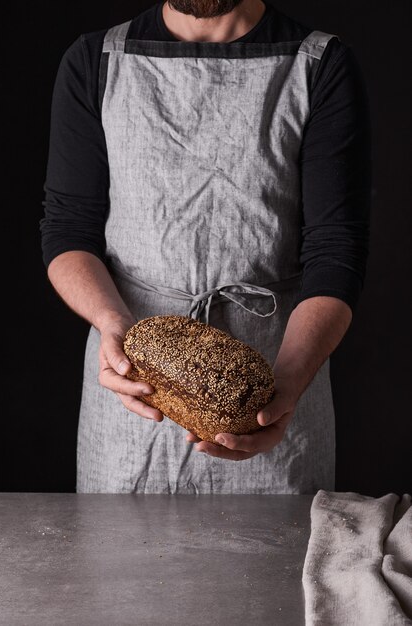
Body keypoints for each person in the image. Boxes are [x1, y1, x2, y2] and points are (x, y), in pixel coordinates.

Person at [40, 0, 372, 494]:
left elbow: (335, 251)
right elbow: (68, 233)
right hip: (133, 388)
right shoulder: (97, 59)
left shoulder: (318, 65)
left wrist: (286, 385)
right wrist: (114, 326)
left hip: (277, 382)